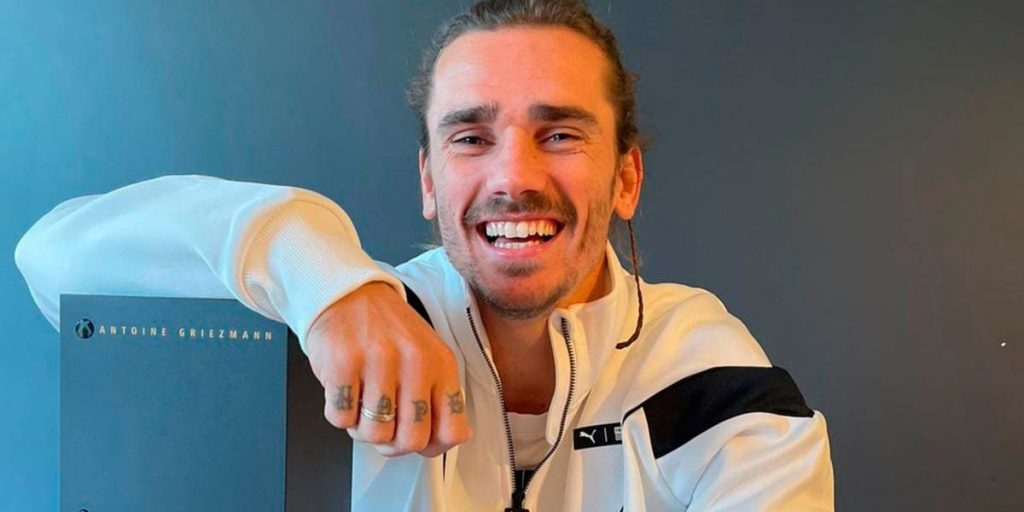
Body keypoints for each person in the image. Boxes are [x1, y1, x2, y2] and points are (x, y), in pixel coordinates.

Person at [15, 0, 834, 510]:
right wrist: (327, 285)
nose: (513, 178)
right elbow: (52, 260)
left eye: (559, 134)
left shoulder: (716, 386)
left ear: (626, 178)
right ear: (428, 182)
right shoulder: (347, 329)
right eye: (470, 137)